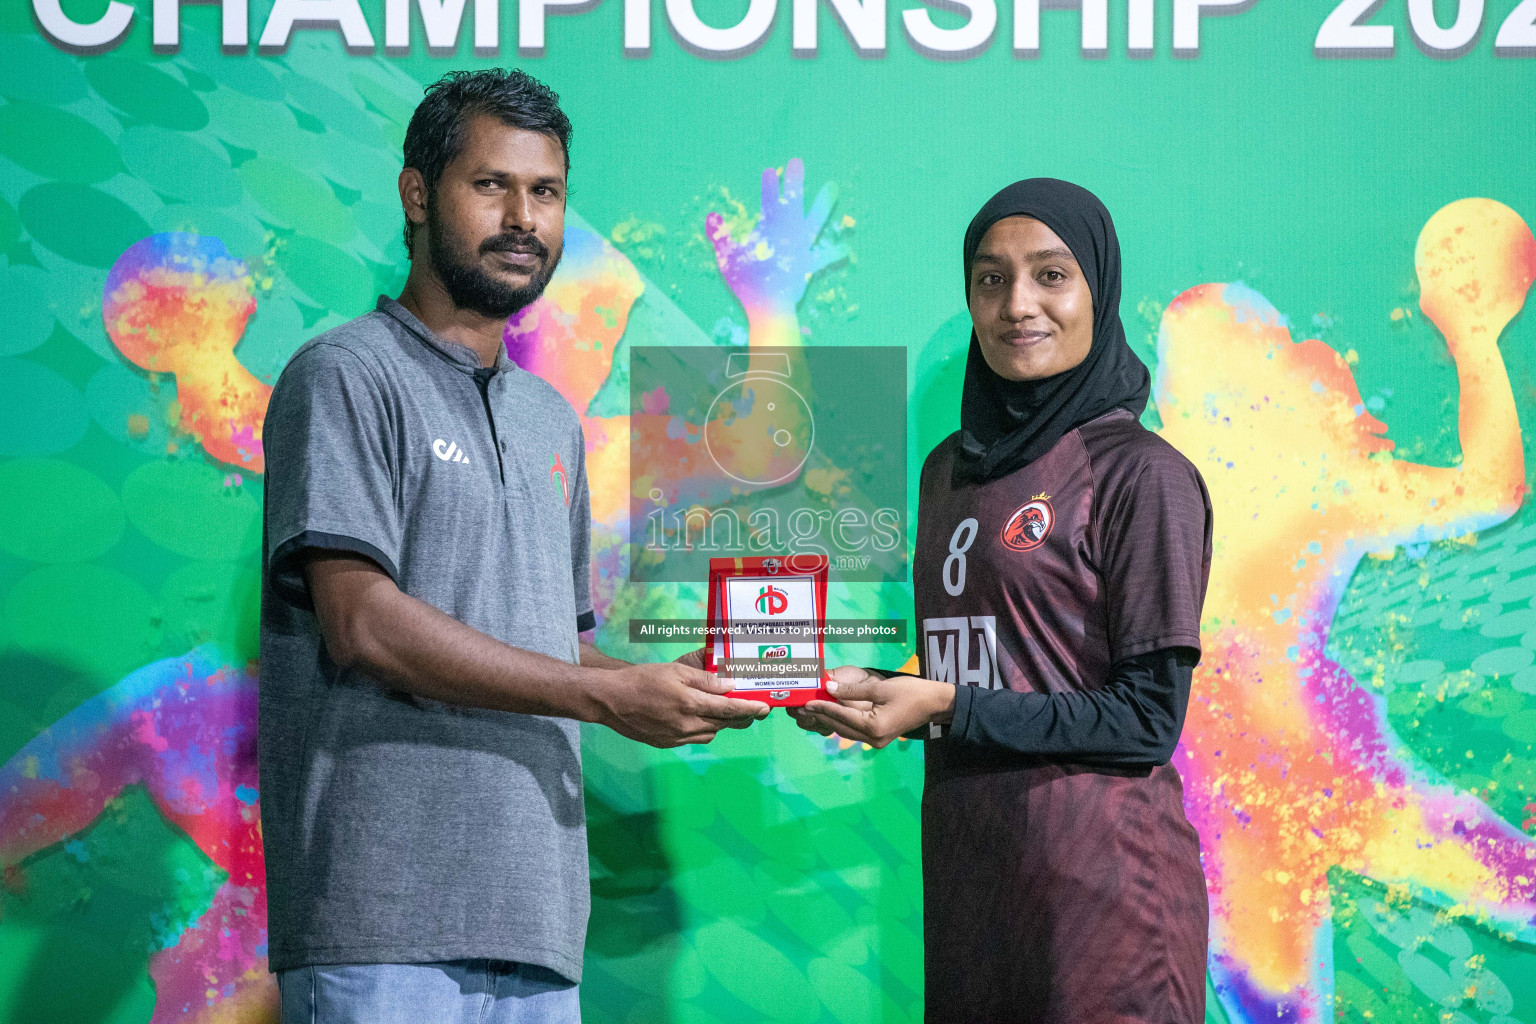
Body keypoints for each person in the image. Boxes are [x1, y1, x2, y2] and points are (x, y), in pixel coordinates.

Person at [258, 69, 766, 1024]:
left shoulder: (548, 421)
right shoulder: (343, 374)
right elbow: (361, 624)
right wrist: (603, 696)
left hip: (536, 921)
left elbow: (554, 643)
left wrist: (669, 684)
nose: (523, 218)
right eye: (491, 186)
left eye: (546, 192)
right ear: (417, 195)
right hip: (380, 923)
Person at [791, 179, 1213, 1023]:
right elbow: (992, 669)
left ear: (1099, 288)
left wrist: (943, 704)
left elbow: (1146, 721)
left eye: (1051, 276)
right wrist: (869, 689)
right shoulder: (947, 469)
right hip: (973, 886)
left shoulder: (1141, 473)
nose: (1018, 305)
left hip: (1104, 903)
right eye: (991, 280)